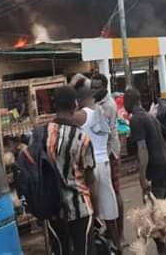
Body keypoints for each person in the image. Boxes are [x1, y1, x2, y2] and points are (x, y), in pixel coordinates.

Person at [125, 88, 166, 255]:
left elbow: (142, 150)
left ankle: (163, 250)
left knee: (154, 214)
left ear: (131, 102)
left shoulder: (136, 120)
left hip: (155, 170)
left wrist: (142, 177)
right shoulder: (152, 118)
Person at [47, 85, 96, 255]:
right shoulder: (82, 137)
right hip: (80, 207)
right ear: (75, 105)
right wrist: (94, 210)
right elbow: (90, 178)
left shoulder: (41, 134)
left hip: (52, 209)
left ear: (55, 106)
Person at [78, 89, 120, 252]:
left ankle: (96, 246)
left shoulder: (82, 115)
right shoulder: (102, 112)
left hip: (91, 166)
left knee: (91, 212)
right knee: (109, 211)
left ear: (80, 101)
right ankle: (116, 247)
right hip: (104, 162)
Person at [90, 73, 125, 242]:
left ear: (104, 87)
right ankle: (114, 231)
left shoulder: (107, 106)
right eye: (92, 87)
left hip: (110, 151)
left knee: (114, 192)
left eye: (96, 88)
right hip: (105, 150)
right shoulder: (99, 103)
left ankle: (119, 232)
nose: (93, 90)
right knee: (109, 191)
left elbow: (103, 132)